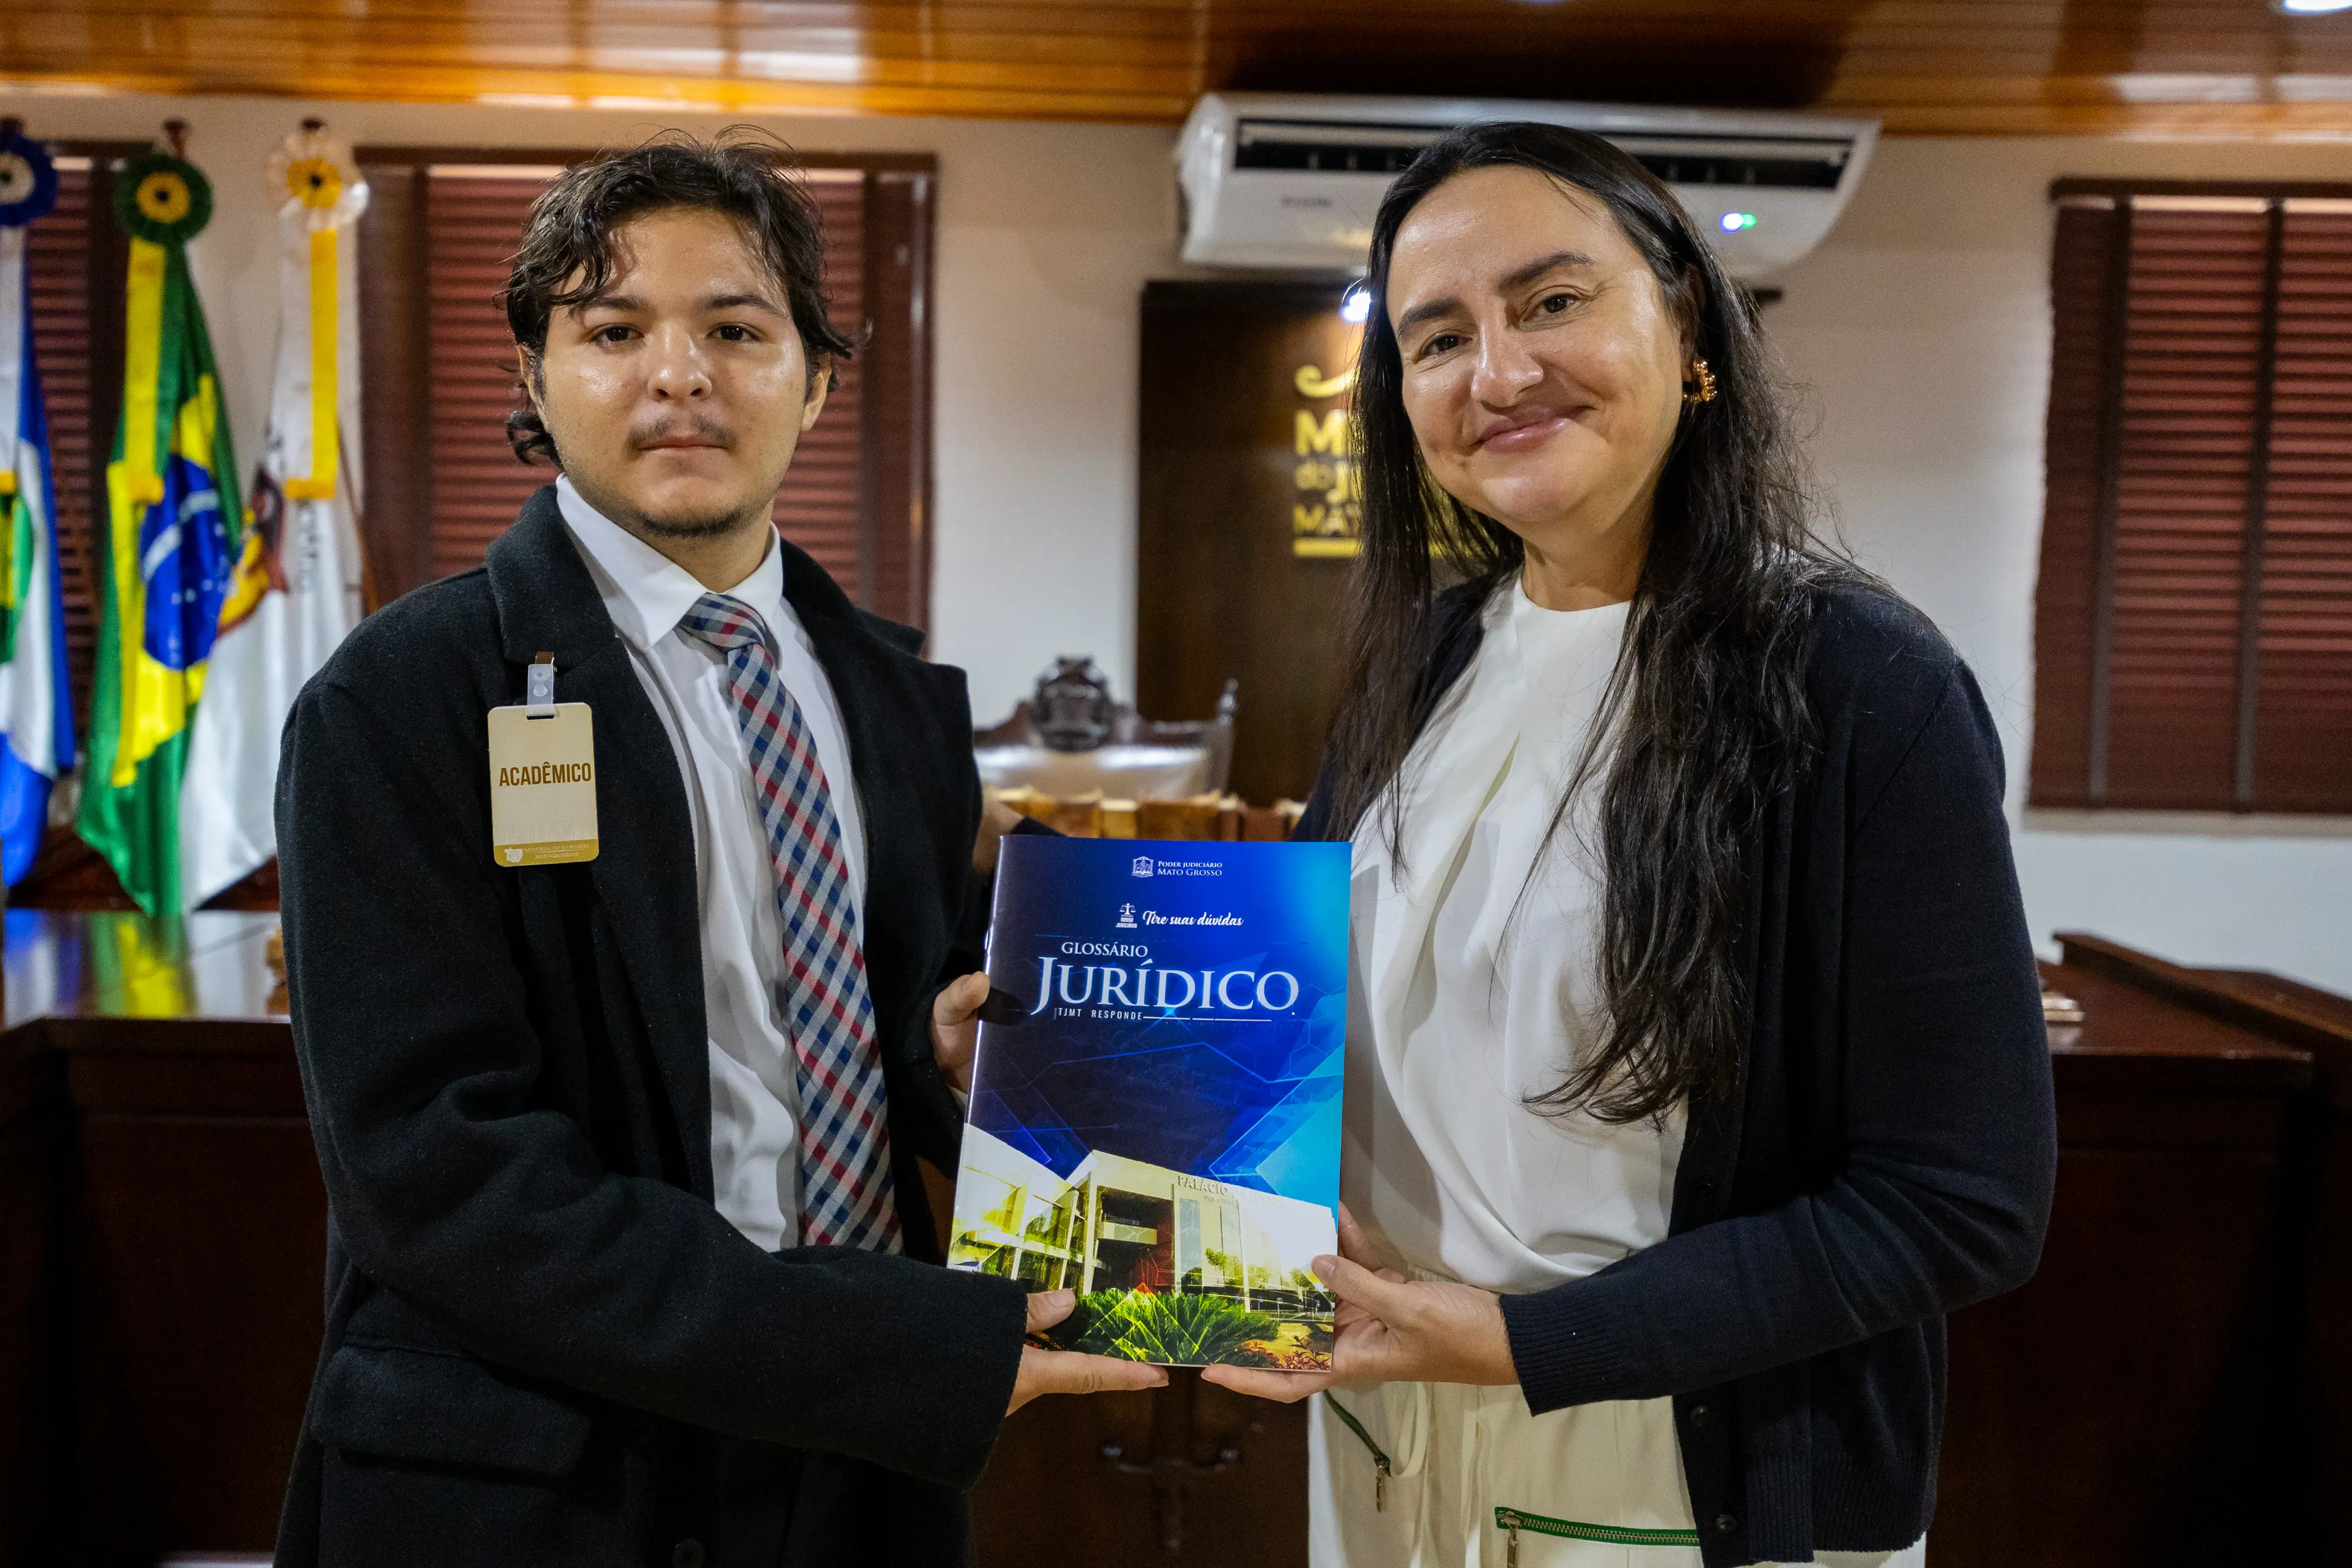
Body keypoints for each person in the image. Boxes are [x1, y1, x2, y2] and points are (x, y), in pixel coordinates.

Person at [270, 133, 1161, 1568]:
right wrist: (874, 1342)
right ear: (533, 380)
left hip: (857, 1467)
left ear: (814, 381)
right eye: (611, 329)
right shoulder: (404, 699)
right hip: (545, 1470)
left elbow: (917, 1026)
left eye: (735, 329)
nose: (675, 372)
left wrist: (958, 1059)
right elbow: (436, 1170)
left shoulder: (897, 698)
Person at [1201, 123, 2057, 1568]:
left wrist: (1528, 1341)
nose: (1497, 373)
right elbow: (1281, 1018)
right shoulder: (1426, 658)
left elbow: (1958, 1203)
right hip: (1383, 1436)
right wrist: (1070, 1049)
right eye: (1435, 338)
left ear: (1687, 325)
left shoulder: (1855, 683)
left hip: (1681, 1467)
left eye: (1550, 302)